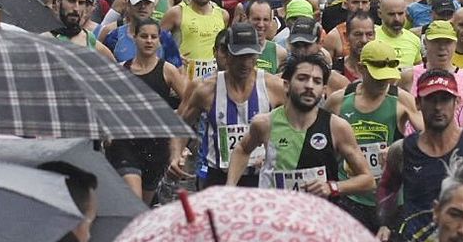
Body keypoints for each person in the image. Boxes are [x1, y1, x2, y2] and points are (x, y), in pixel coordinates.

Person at [378, 69, 463, 242]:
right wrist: (384, 225)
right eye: (431, 99)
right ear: (418, 103)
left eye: (445, 99)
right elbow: (387, 190)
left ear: (457, 102)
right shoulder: (403, 150)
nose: (438, 107)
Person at [227, 55, 376, 197]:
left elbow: (368, 180)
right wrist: (230, 186)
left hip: (316, 216)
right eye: (302, 78)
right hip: (276, 213)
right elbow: (242, 149)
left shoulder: (337, 127)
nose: (310, 86)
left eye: (317, 81)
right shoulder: (264, 123)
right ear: (286, 85)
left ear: (324, 91)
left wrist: (333, 187)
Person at [176, 22, 289, 187]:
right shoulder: (207, 89)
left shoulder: (274, 87)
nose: (245, 63)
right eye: (239, 56)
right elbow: (180, 125)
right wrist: (175, 154)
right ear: (226, 54)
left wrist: (277, 150)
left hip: (260, 178)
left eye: (250, 56)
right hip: (217, 177)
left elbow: (297, 126)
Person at [328, 41, 420, 231]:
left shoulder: (401, 99)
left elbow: (429, 140)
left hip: (391, 196)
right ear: (361, 68)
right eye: (378, 77)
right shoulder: (339, 100)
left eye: (387, 78)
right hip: (350, 196)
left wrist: (401, 148)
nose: (383, 83)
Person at [107, 18, 186, 203]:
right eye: (144, 36)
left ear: (159, 40)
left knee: (143, 207)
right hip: (125, 144)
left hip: (156, 148)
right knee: (134, 202)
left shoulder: (168, 71)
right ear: (134, 37)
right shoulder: (121, 70)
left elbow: (189, 102)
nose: (149, 41)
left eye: (153, 37)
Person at [161, 0, 228, 81]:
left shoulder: (223, 15)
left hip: (214, 82)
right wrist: (172, 56)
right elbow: (156, 40)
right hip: (185, 82)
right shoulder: (176, 13)